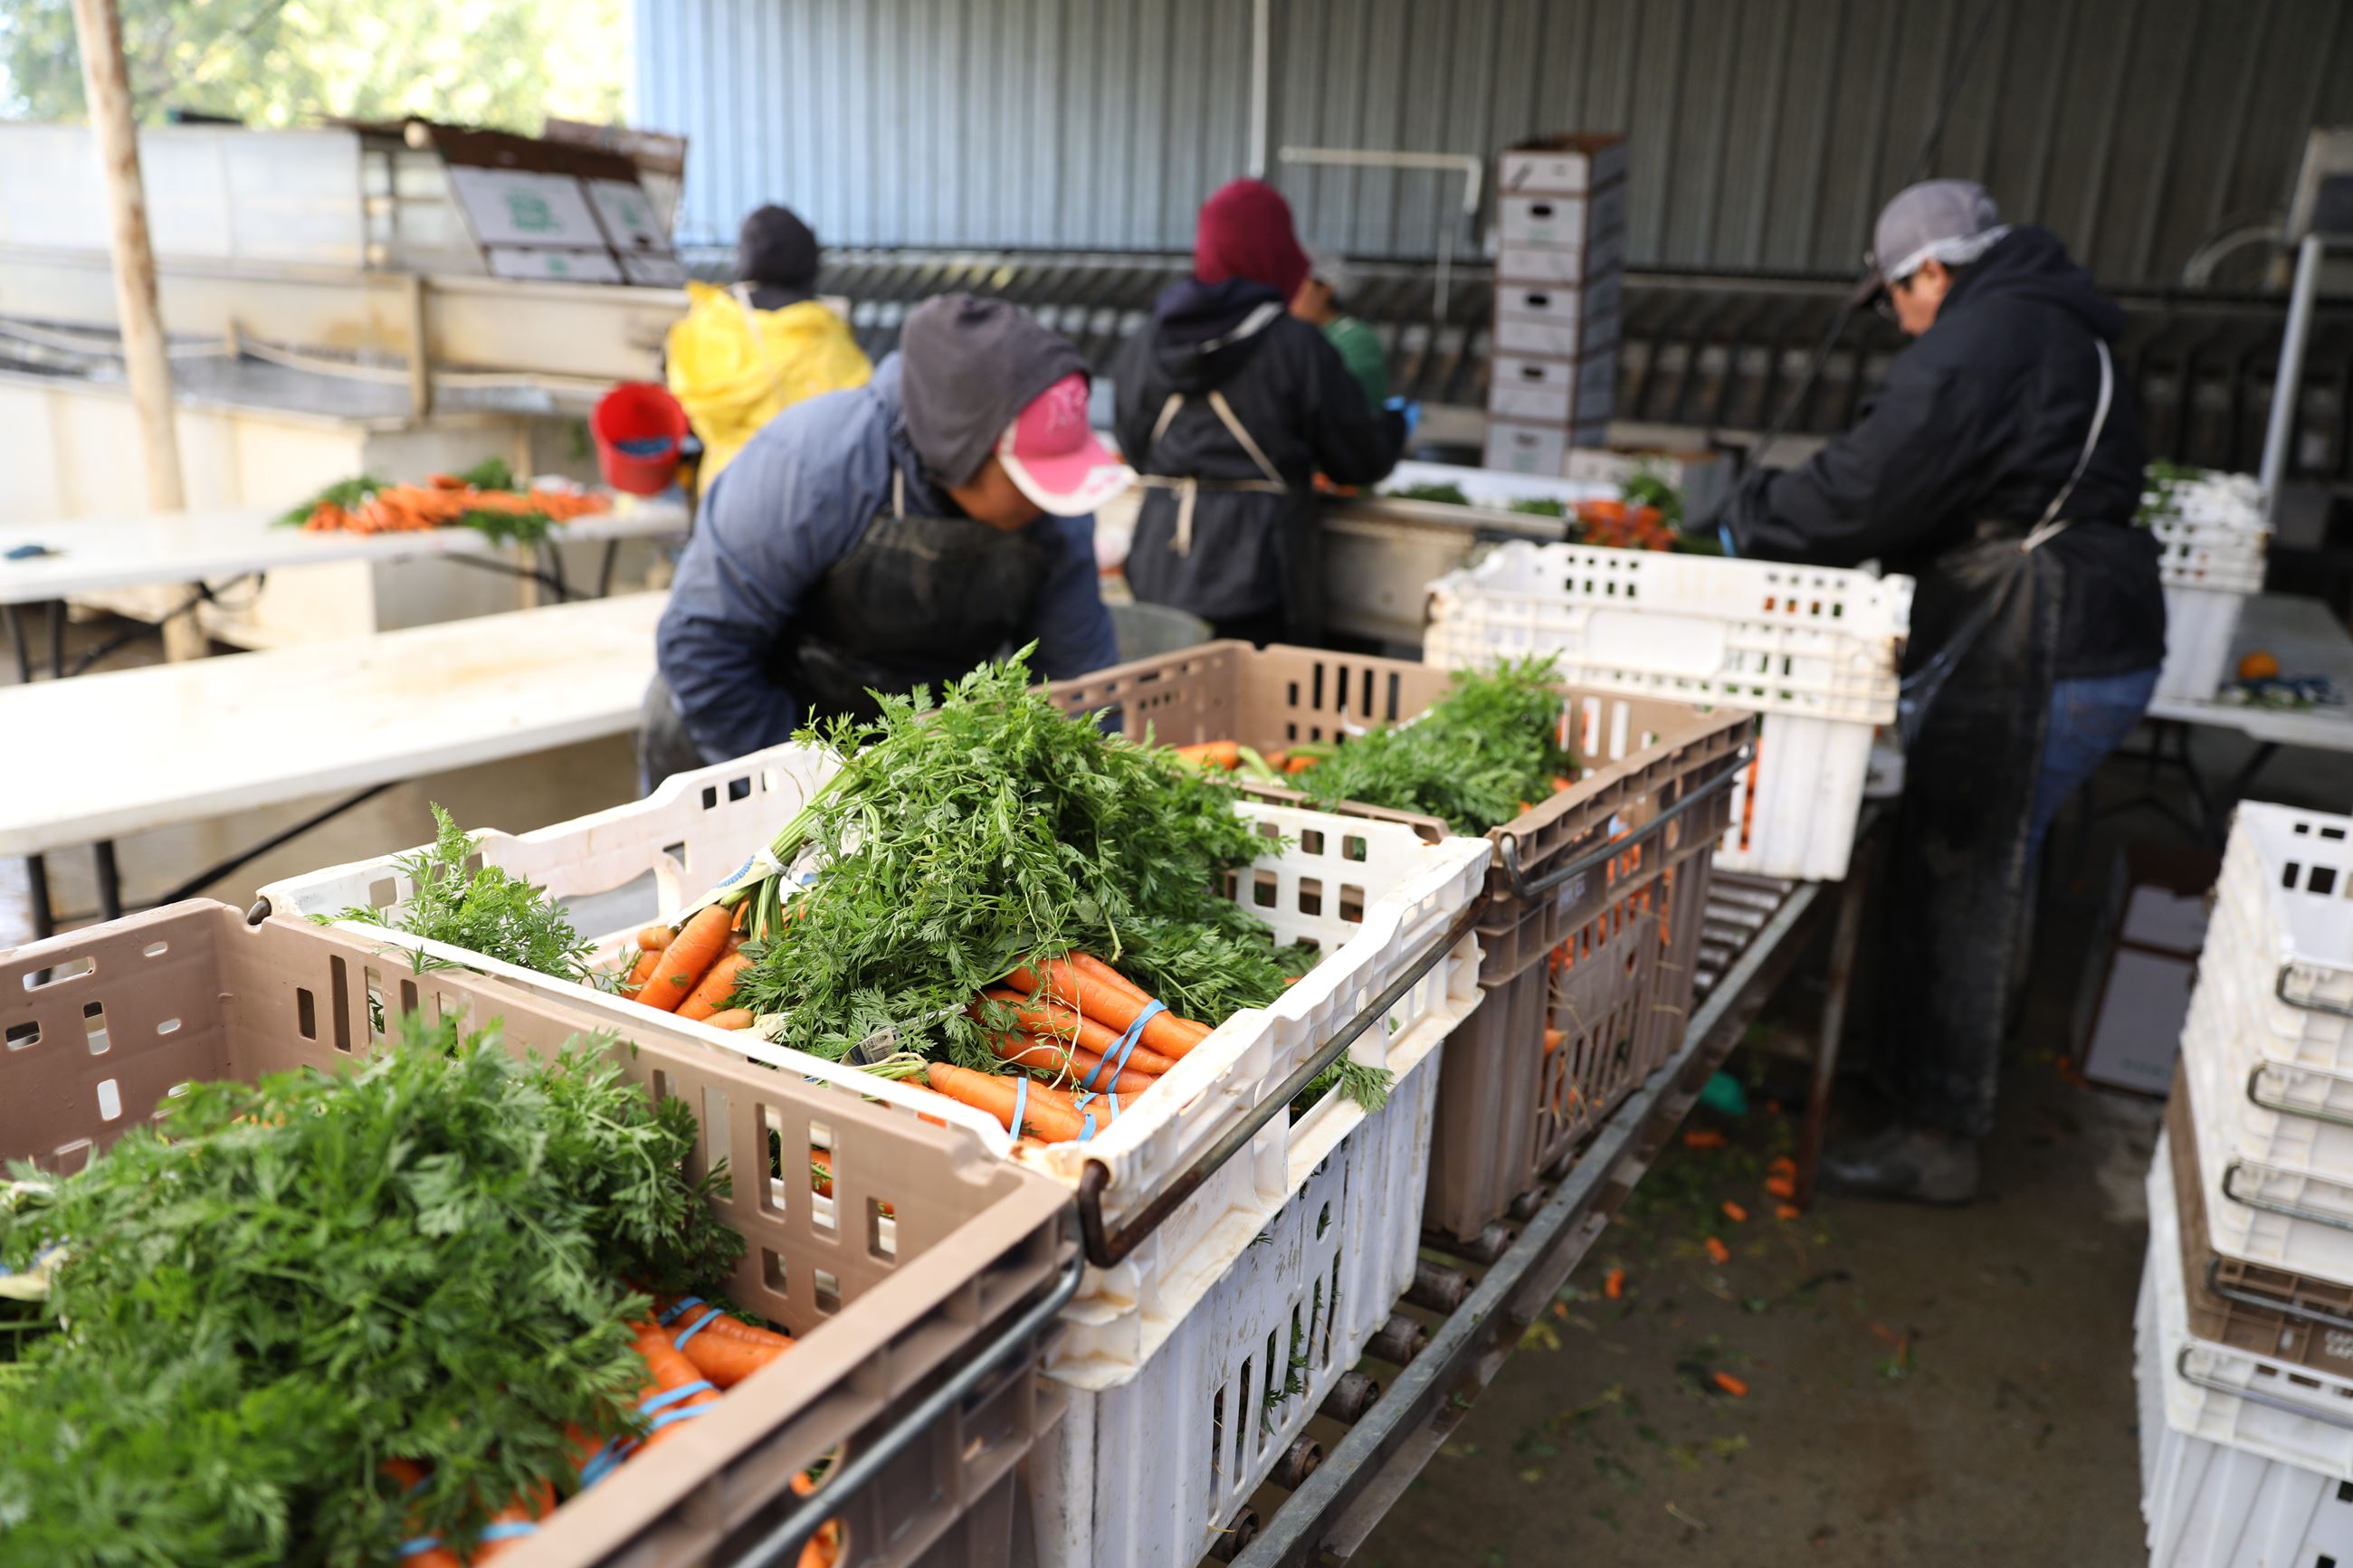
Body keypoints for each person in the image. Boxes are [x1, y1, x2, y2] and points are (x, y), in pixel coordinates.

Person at [1720, 180, 2164, 1205]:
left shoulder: (1988, 335)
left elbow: (1871, 486)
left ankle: (1936, 1134)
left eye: (1892, 298)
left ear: (1930, 271)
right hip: (2078, 632)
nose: (1895, 320)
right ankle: (1915, 1079)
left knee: (1963, 874)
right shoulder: (2049, 323)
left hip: (2042, 637)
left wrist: (1754, 514)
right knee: (1968, 862)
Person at [643, 293, 1127, 785]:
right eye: (1033, 478)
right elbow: (704, 648)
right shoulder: (810, 468)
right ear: (959, 450)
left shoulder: (1057, 515)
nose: (1051, 502)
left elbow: (1078, 682)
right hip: (742, 745)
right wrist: (816, 795)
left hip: (914, 760)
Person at [1112, 179, 1407, 646]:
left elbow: (1132, 445)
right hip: (1260, 575)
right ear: (1278, 252)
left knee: (1162, 706)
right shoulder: (1296, 347)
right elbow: (1356, 460)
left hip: (1159, 563)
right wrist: (1393, 425)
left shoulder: (1147, 342)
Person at [664, 204, 872, 491]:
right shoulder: (819, 332)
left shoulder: (709, 322)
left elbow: (684, 400)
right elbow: (856, 419)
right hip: (805, 498)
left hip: (724, 495)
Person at [1291, 248, 1388, 409]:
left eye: (1298, 283)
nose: (1290, 292)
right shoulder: (1298, 335)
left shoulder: (1357, 339)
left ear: (1325, 289)